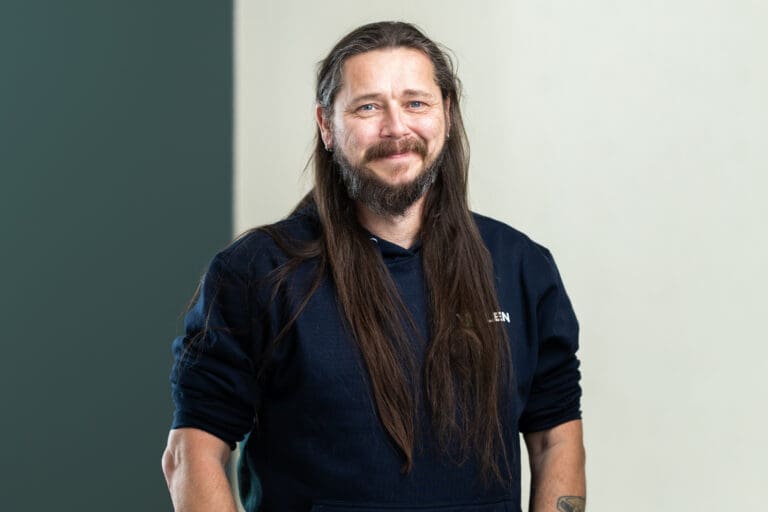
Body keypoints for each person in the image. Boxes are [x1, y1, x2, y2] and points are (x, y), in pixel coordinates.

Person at [162, 21, 585, 512]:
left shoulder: (521, 267)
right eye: (368, 107)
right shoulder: (256, 273)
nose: (396, 128)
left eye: (416, 103)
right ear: (326, 125)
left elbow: (555, 438)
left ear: (447, 114)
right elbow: (193, 452)